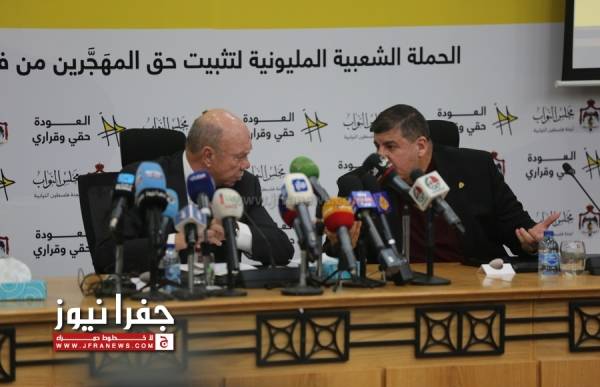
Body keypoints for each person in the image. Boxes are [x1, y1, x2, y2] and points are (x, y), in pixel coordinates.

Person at [329, 104, 559, 264]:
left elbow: (518, 230)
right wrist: (340, 244)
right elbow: (336, 253)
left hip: (472, 286)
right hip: (396, 290)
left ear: (420, 146)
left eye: (390, 147)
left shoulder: (476, 169)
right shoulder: (361, 184)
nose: (381, 155)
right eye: (377, 146)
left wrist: (532, 243)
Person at [96, 109, 294, 273]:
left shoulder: (243, 185)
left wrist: (232, 230)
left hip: (220, 299)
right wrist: (177, 241)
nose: (246, 165)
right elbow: (106, 256)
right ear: (208, 156)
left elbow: (283, 249)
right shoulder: (142, 180)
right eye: (239, 157)